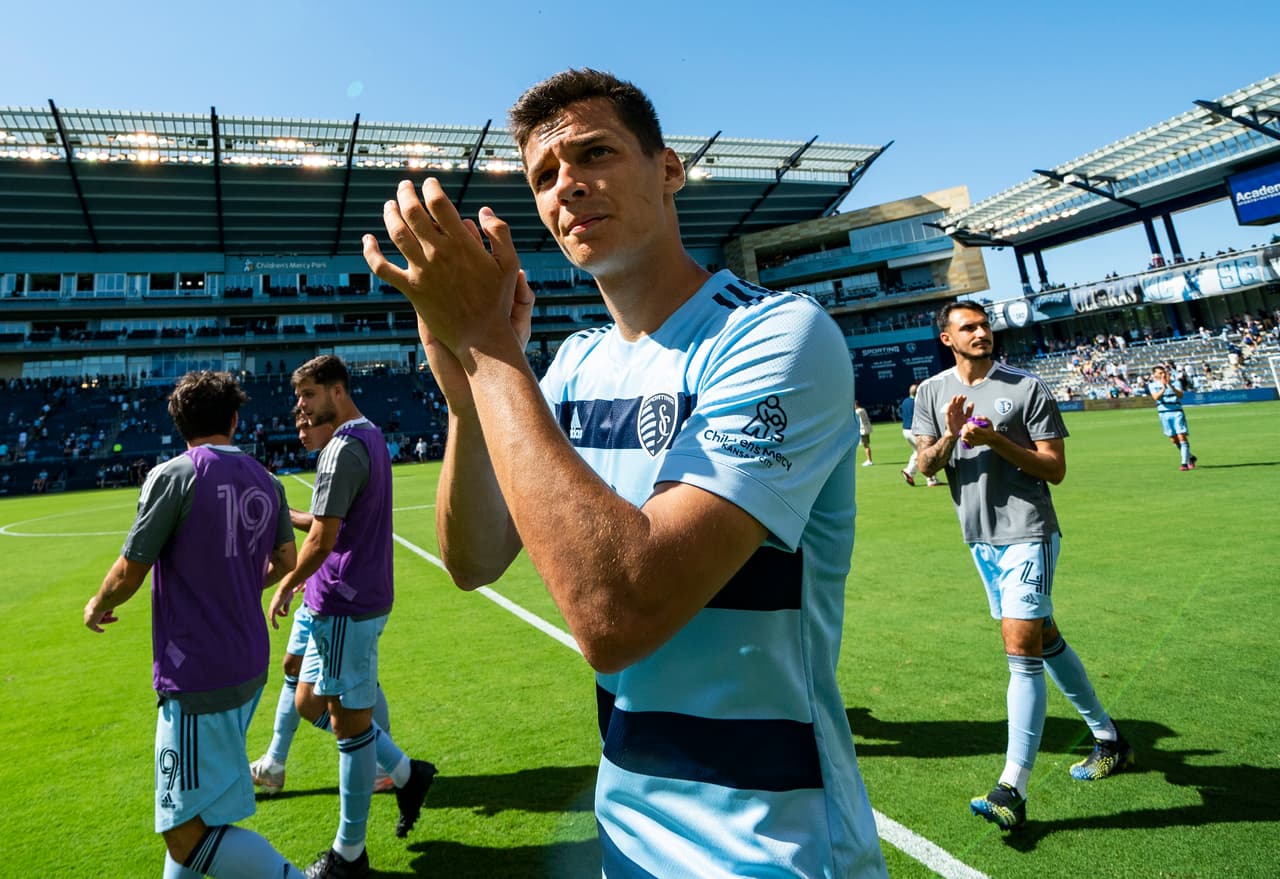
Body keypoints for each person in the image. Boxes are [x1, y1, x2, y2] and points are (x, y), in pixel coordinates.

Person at [363, 68, 887, 878]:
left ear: (669, 169)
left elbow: (618, 614)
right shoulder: (572, 364)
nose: (567, 186)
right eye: (543, 176)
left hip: (772, 844)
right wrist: (469, 393)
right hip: (628, 837)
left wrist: (491, 347)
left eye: (594, 153)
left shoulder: (777, 334)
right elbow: (473, 559)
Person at [913, 301, 1132, 831]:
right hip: (979, 536)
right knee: (1044, 635)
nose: (982, 333)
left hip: (1028, 531)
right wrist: (950, 435)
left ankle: (1012, 787)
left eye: (985, 325)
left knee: (1019, 647)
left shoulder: (1026, 387)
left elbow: (1054, 469)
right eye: (969, 328)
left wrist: (995, 440)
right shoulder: (931, 392)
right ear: (948, 339)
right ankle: (1109, 739)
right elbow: (925, 465)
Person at [82, 371, 303, 878]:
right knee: (195, 813)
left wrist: (97, 604)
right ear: (234, 418)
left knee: (182, 834)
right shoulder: (266, 479)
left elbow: (129, 570)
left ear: (179, 423)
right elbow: (286, 559)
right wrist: (242, 583)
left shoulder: (174, 475)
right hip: (249, 663)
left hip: (198, 674)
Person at [266, 356, 435, 879]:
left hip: (344, 599)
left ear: (337, 391)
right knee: (311, 699)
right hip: (345, 599)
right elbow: (324, 521)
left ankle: (349, 854)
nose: (302, 408)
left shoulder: (341, 448)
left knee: (348, 721)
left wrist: (286, 584)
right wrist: (281, 511)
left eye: (310, 396)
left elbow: (322, 538)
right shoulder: (368, 436)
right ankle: (407, 772)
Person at [250, 408, 396, 799]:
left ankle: (390, 764)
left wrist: (281, 513)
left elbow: (322, 529)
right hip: (320, 585)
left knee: (336, 695)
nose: (300, 431)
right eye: (296, 423)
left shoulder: (344, 453)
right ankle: (275, 762)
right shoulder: (333, 456)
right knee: (294, 667)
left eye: (306, 423)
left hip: (340, 591)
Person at [1147, 365, 1197, 471]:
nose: (1163, 374)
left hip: (1177, 412)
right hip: (1164, 414)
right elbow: (1156, 397)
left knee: (1181, 436)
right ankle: (1191, 457)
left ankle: (1184, 463)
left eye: (1163, 372)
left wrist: (1170, 385)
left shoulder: (1175, 382)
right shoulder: (1152, 385)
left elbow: (1180, 395)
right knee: (1173, 440)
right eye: (1160, 373)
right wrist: (1164, 387)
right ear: (1155, 374)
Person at [899, 383, 938, 487]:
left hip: (906, 430)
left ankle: (909, 472)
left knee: (917, 452)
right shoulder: (917, 402)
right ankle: (931, 479)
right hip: (915, 430)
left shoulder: (905, 401)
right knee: (926, 452)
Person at [855, 399, 873, 466]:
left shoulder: (858, 411)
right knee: (866, 445)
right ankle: (869, 460)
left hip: (863, 430)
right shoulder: (863, 409)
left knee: (866, 445)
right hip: (866, 429)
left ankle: (869, 461)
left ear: (856, 404)